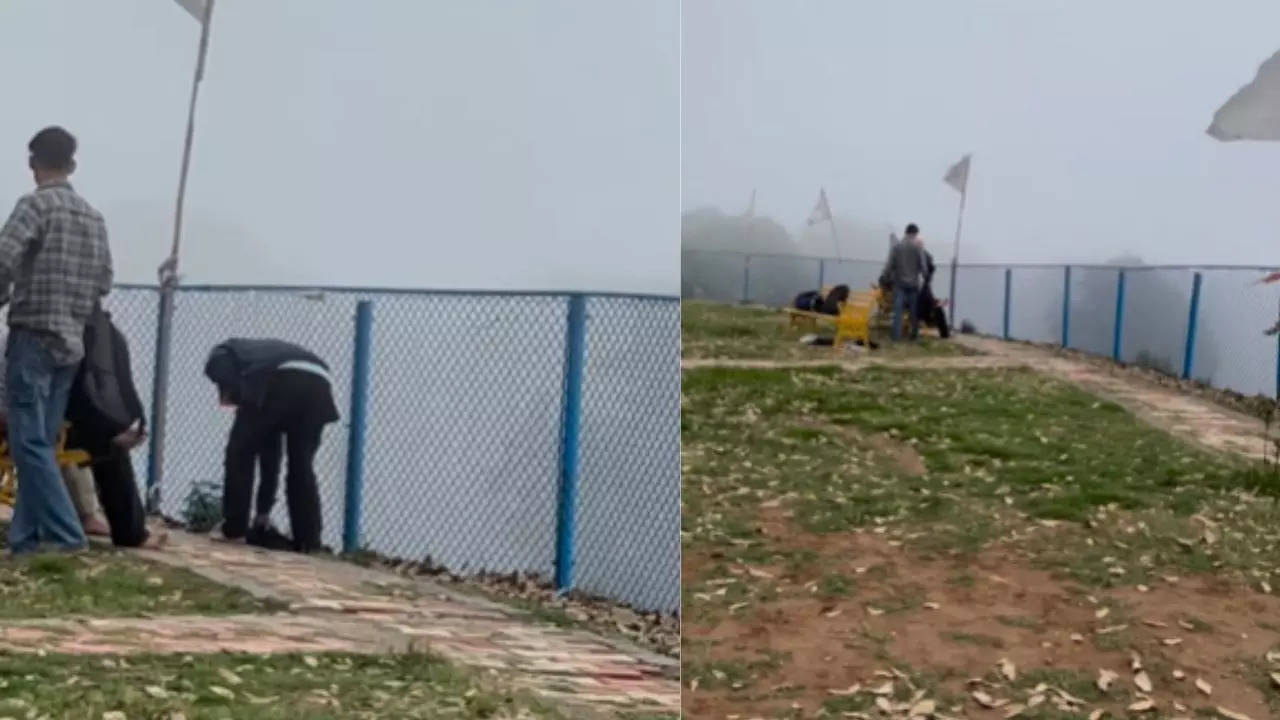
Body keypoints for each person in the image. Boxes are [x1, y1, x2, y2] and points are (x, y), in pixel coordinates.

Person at [0, 126, 112, 553]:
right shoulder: (93, 217)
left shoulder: (33, 207)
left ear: (33, 162)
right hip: (72, 341)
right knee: (41, 445)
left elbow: (3, 260)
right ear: (72, 164)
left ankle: (67, 537)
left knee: (27, 444)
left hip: (33, 334)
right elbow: (104, 281)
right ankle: (26, 542)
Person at [204, 338, 339, 552]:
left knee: (239, 453)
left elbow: (220, 371)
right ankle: (309, 541)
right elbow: (271, 457)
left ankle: (234, 529)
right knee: (301, 466)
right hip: (319, 384)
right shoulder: (258, 352)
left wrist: (237, 393)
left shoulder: (222, 351)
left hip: (279, 378)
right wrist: (262, 513)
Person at [882, 223, 927, 341]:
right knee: (913, 312)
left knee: (897, 312)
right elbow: (923, 266)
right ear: (915, 233)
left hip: (899, 284)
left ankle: (895, 337)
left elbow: (889, 265)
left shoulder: (897, 247)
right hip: (913, 285)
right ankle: (914, 336)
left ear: (906, 232)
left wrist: (885, 277)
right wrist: (926, 277)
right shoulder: (918, 247)